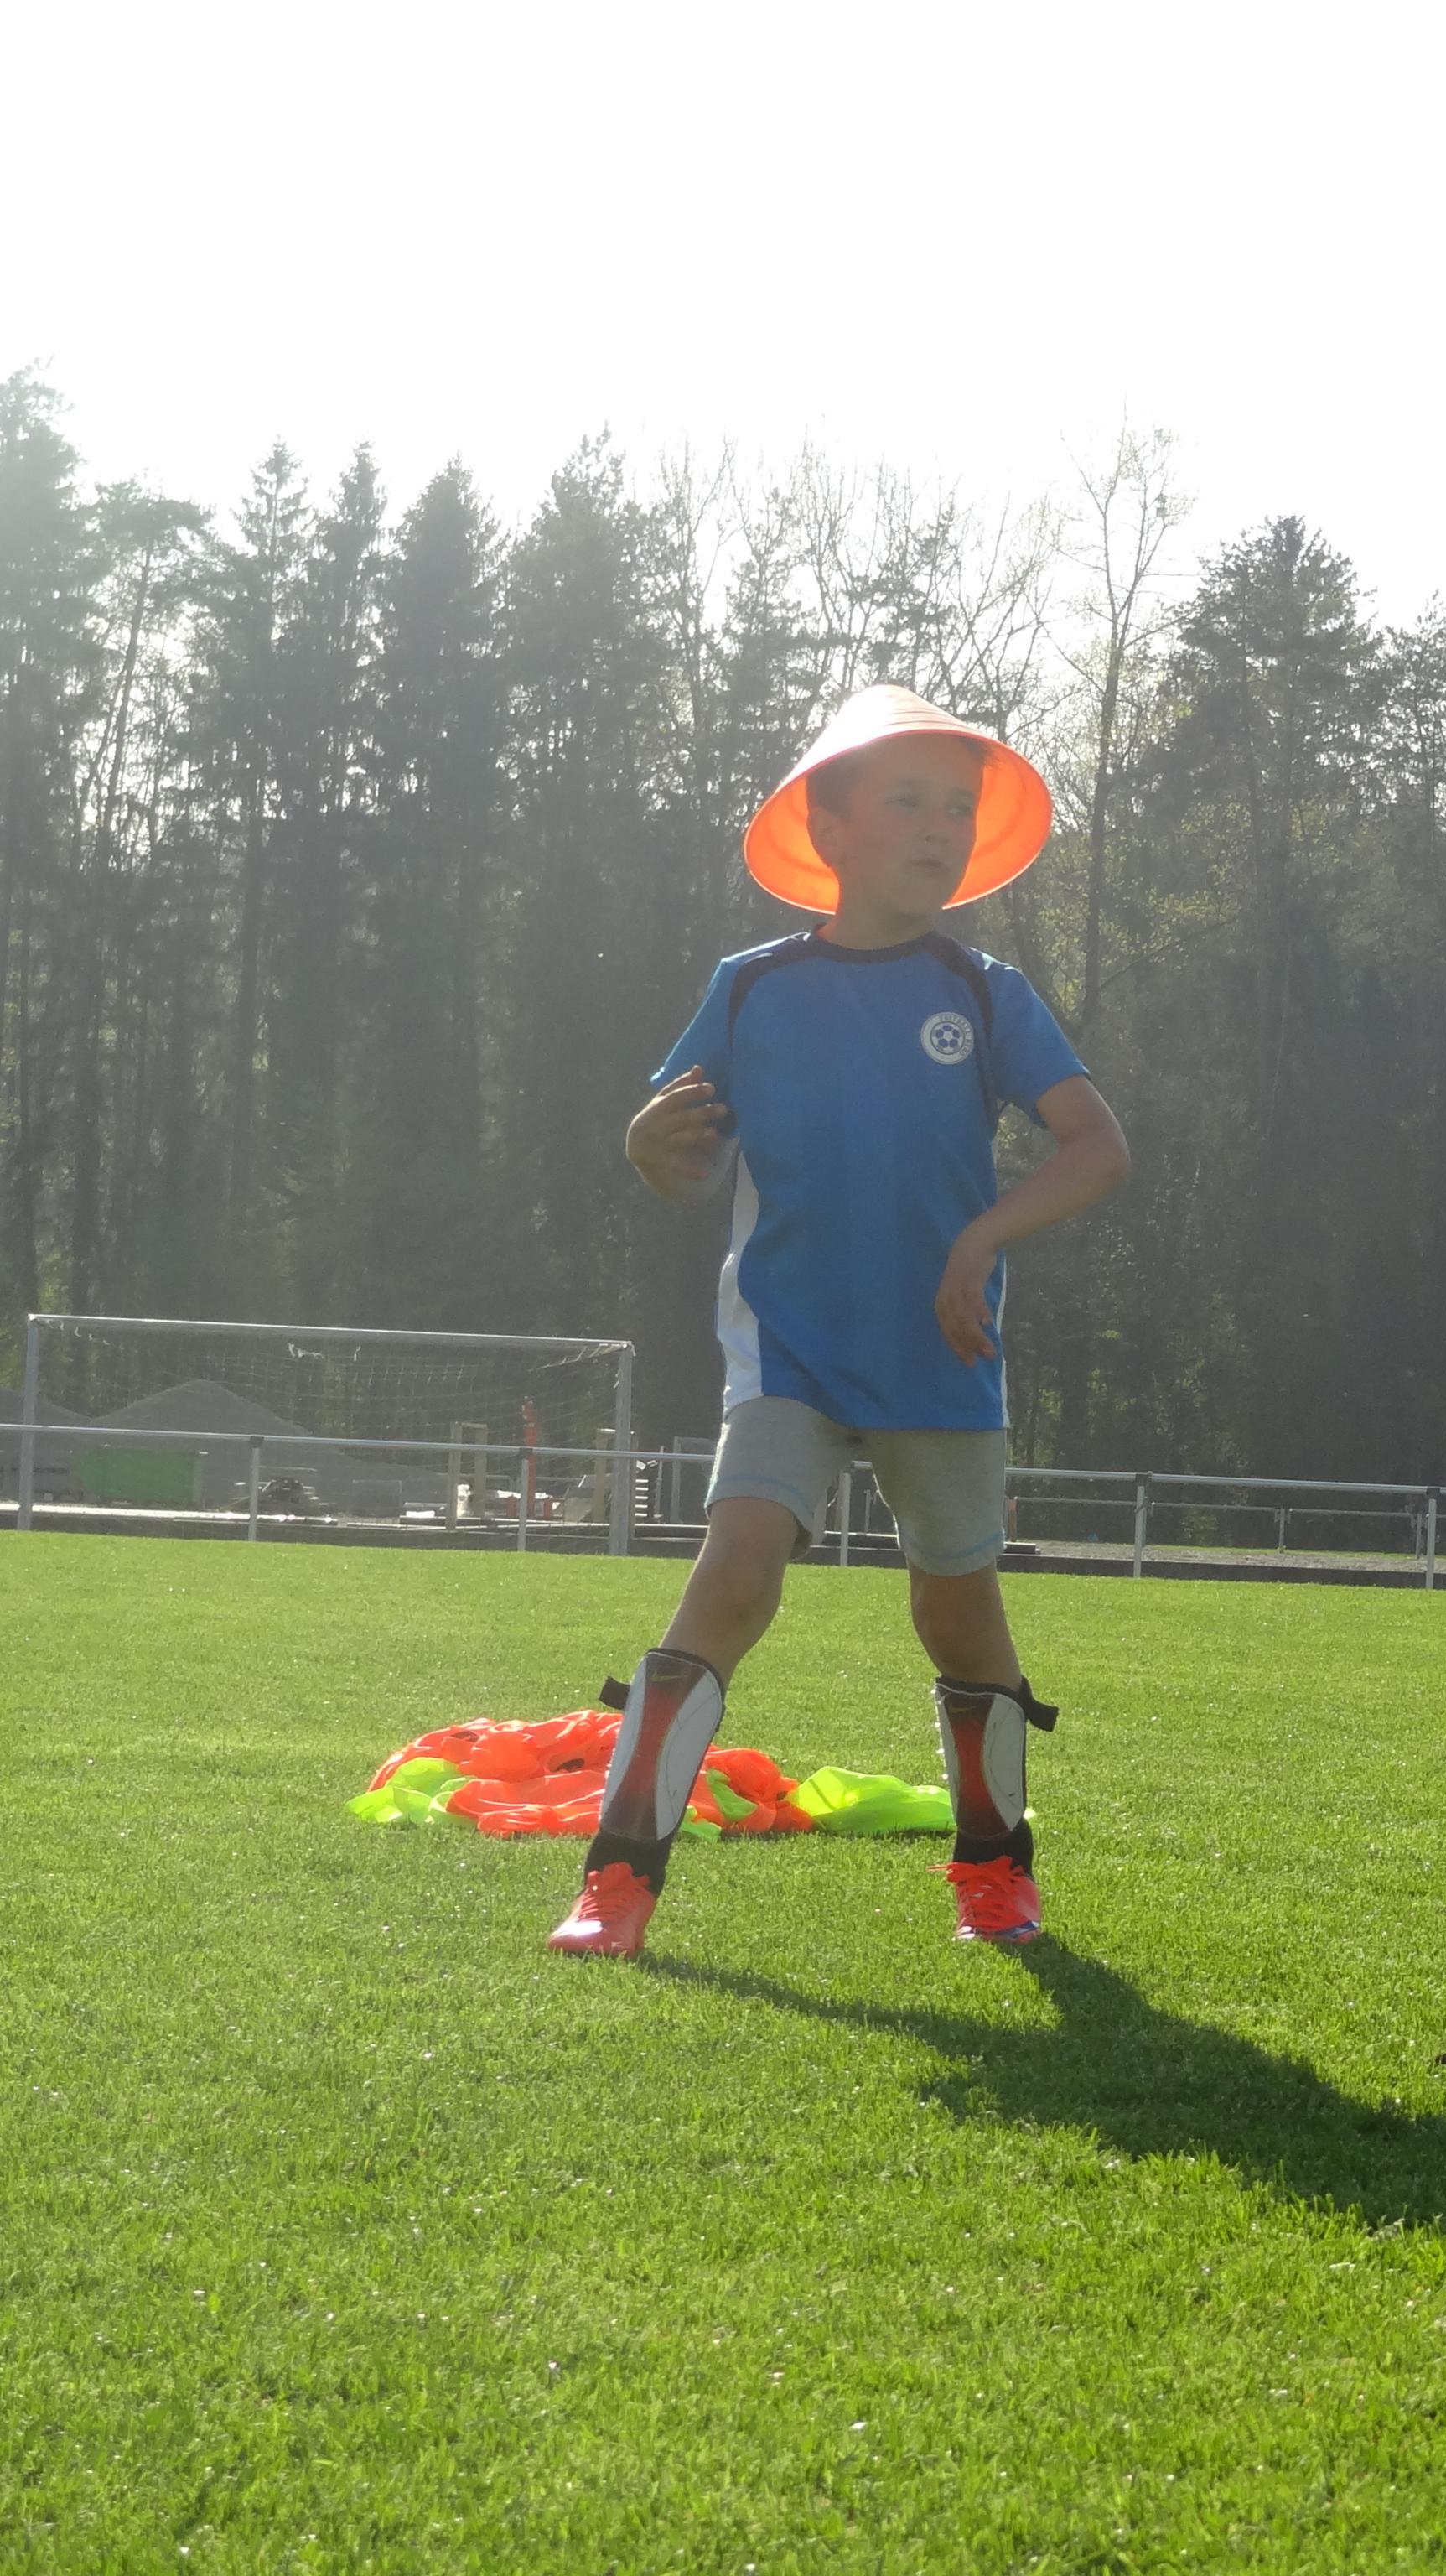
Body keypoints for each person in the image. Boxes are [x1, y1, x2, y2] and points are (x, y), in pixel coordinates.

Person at [549, 685, 1131, 1959]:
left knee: (957, 1615)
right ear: (830, 830)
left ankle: (996, 1875)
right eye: (906, 802)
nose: (937, 829)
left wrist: (981, 1241)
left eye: (956, 809)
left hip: (944, 1355)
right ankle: (617, 1883)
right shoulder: (751, 988)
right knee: (733, 1577)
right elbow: (681, 1161)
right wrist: (643, 1146)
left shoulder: (987, 991)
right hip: (788, 1350)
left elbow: (1097, 1149)